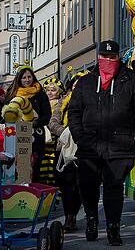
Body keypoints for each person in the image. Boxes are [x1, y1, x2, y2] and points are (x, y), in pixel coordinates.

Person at [69, 40, 135, 246]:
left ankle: (113, 227)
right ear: (98, 58)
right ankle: (91, 219)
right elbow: (74, 112)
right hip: (89, 145)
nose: (108, 61)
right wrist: (80, 137)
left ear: (118, 58)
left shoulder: (131, 81)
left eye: (112, 57)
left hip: (120, 145)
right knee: (87, 186)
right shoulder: (86, 82)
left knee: (114, 188)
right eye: (104, 57)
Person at [4, 66, 52, 184]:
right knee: (17, 168)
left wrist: (35, 123)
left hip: (36, 136)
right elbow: (5, 113)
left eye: (29, 77)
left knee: (34, 168)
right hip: (16, 136)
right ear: (19, 79)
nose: (27, 80)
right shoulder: (12, 94)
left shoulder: (40, 94)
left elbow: (47, 115)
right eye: (24, 77)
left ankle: (32, 193)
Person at [48, 74, 82, 232]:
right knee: (66, 184)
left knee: (81, 185)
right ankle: (69, 215)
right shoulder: (63, 101)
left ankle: (73, 215)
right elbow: (52, 122)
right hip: (64, 148)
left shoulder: (91, 101)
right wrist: (66, 133)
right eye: (75, 85)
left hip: (84, 147)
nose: (77, 88)